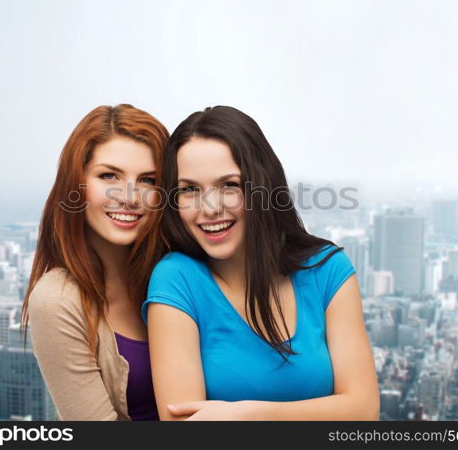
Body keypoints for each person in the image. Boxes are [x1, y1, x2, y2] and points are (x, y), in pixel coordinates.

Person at [143, 106, 379, 420]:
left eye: (229, 185)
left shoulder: (327, 270)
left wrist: (246, 415)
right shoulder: (176, 279)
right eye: (189, 189)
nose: (210, 207)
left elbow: (364, 411)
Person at [21, 104, 169, 421]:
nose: (129, 196)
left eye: (148, 180)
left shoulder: (178, 273)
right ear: (76, 185)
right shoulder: (58, 300)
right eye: (108, 175)